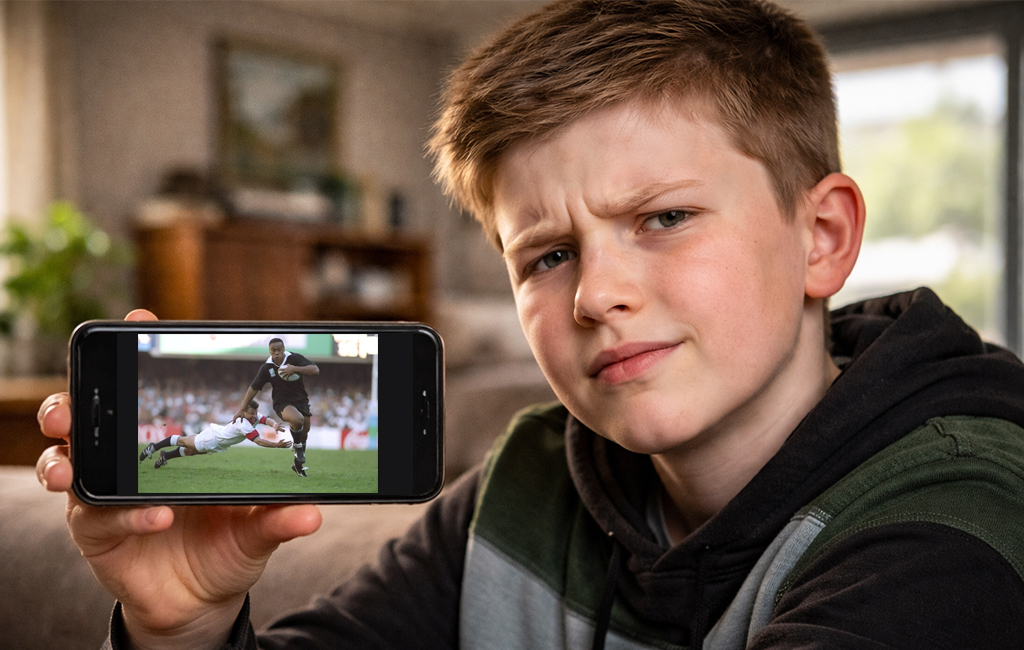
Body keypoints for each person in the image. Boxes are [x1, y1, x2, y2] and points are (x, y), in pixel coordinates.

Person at [35, 1, 1024, 648]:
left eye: (663, 218)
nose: (595, 294)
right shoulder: (527, 478)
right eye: (547, 256)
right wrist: (185, 627)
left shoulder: (952, 523)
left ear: (822, 237)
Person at [233, 338, 319, 477]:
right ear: (269, 351)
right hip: (282, 402)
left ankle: (297, 465)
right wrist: (242, 409)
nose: (277, 353)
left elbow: (315, 370)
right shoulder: (267, 367)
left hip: (301, 399)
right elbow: (253, 388)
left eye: (279, 350)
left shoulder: (294, 358)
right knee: (297, 420)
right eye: (273, 350)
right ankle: (297, 447)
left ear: (283, 349)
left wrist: (294, 369)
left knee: (305, 432)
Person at [139, 400, 291, 468]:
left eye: (255, 413)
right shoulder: (243, 423)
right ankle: (154, 447)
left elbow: (266, 419)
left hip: (218, 443)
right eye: (251, 413)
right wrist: (276, 445)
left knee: (190, 452)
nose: (254, 415)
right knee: (183, 441)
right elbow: (258, 441)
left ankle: (165, 456)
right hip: (212, 438)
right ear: (244, 412)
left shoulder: (253, 416)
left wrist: (274, 425)